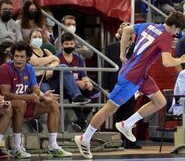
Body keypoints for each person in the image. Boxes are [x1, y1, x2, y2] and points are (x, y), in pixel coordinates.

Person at [74, 11, 185, 159]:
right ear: (173, 26)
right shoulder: (166, 37)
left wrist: (122, 54)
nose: (178, 33)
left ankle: (127, 124)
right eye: (178, 29)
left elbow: (126, 30)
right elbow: (167, 62)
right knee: (109, 109)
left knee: (160, 101)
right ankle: (84, 138)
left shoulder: (149, 25)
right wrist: (181, 59)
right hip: (131, 77)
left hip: (140, 75)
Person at [0, 41, 72, 159]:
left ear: (27, 57)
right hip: (8, 106)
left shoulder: (29, 68)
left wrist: (43, 96)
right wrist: (28, 97)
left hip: (25, 104)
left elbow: (35, 90)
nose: (18, 59)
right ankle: (17, 147)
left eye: (22, 56)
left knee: (53, 104)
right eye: (16, 56)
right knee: (21, 103)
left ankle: (53, 146)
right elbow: (5, 94)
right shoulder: (5, 69)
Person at [103, 22, 141, 149]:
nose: (124, 27)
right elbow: (106, 66)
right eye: (121, 26)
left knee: (130, 112)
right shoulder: (111, 47)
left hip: (131, 84)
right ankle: (118, 140)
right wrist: (106, 86)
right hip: (116, 83)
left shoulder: (137, 47)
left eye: (127, 25)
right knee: (117, 112)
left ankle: (130, 141)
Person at [28, 29, 90, 105]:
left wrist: (50, 67)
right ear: (30, 39)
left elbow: (57, 60)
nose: (37, 39)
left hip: (49, 79)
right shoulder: (28, 52)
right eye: (35, 37)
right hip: (37, 82)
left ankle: (76, 96)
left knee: (63, 66)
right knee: (50, 100)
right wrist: (51, 59)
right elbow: (37, 62)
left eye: (39, 37)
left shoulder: (45, 51)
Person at [57, 32, 99, 131]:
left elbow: (84, 75)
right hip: (64, 87)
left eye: (71, 44)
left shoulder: (79, 59)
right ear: (62, 45)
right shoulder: (57, 58)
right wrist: (77, 83)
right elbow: (58, 78)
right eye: (66, 44)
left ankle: (81, 122)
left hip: (79, 84)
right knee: (74, 94)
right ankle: (83, 122)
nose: (69, 46)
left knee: (95, 92)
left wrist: (87, 83)